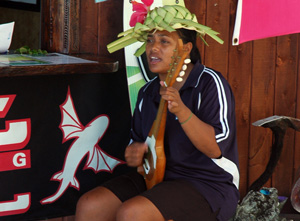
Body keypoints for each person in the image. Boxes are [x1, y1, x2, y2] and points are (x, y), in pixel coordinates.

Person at [75, 3, 240, 221]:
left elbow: (215, 148)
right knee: (90, 206)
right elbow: (140, 146)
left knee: (132, 213)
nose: (153, 48)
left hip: (207, 184)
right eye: (150, 40)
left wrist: (182, 111)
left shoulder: (209, 83)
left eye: (164, 41)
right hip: (156, 178)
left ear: (186, 48)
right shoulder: (147, 92)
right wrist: (136, 153)